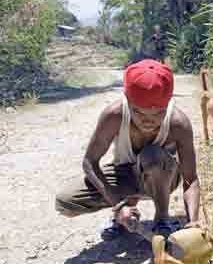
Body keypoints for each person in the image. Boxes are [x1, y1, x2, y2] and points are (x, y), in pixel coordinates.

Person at [55, 59, 204, 241]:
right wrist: (118, 205)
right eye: (139, 112)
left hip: (163, 178)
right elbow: (90, 162)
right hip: (125, 175)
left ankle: (162, 219)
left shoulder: (178, 123)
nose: (148, 120)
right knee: (66, 203)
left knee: (154, 155)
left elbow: (191, 179)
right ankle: (126, 212)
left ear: (168, 104)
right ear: (127, 101)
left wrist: (193, 222)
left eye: (158, 113)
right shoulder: (114, 115)